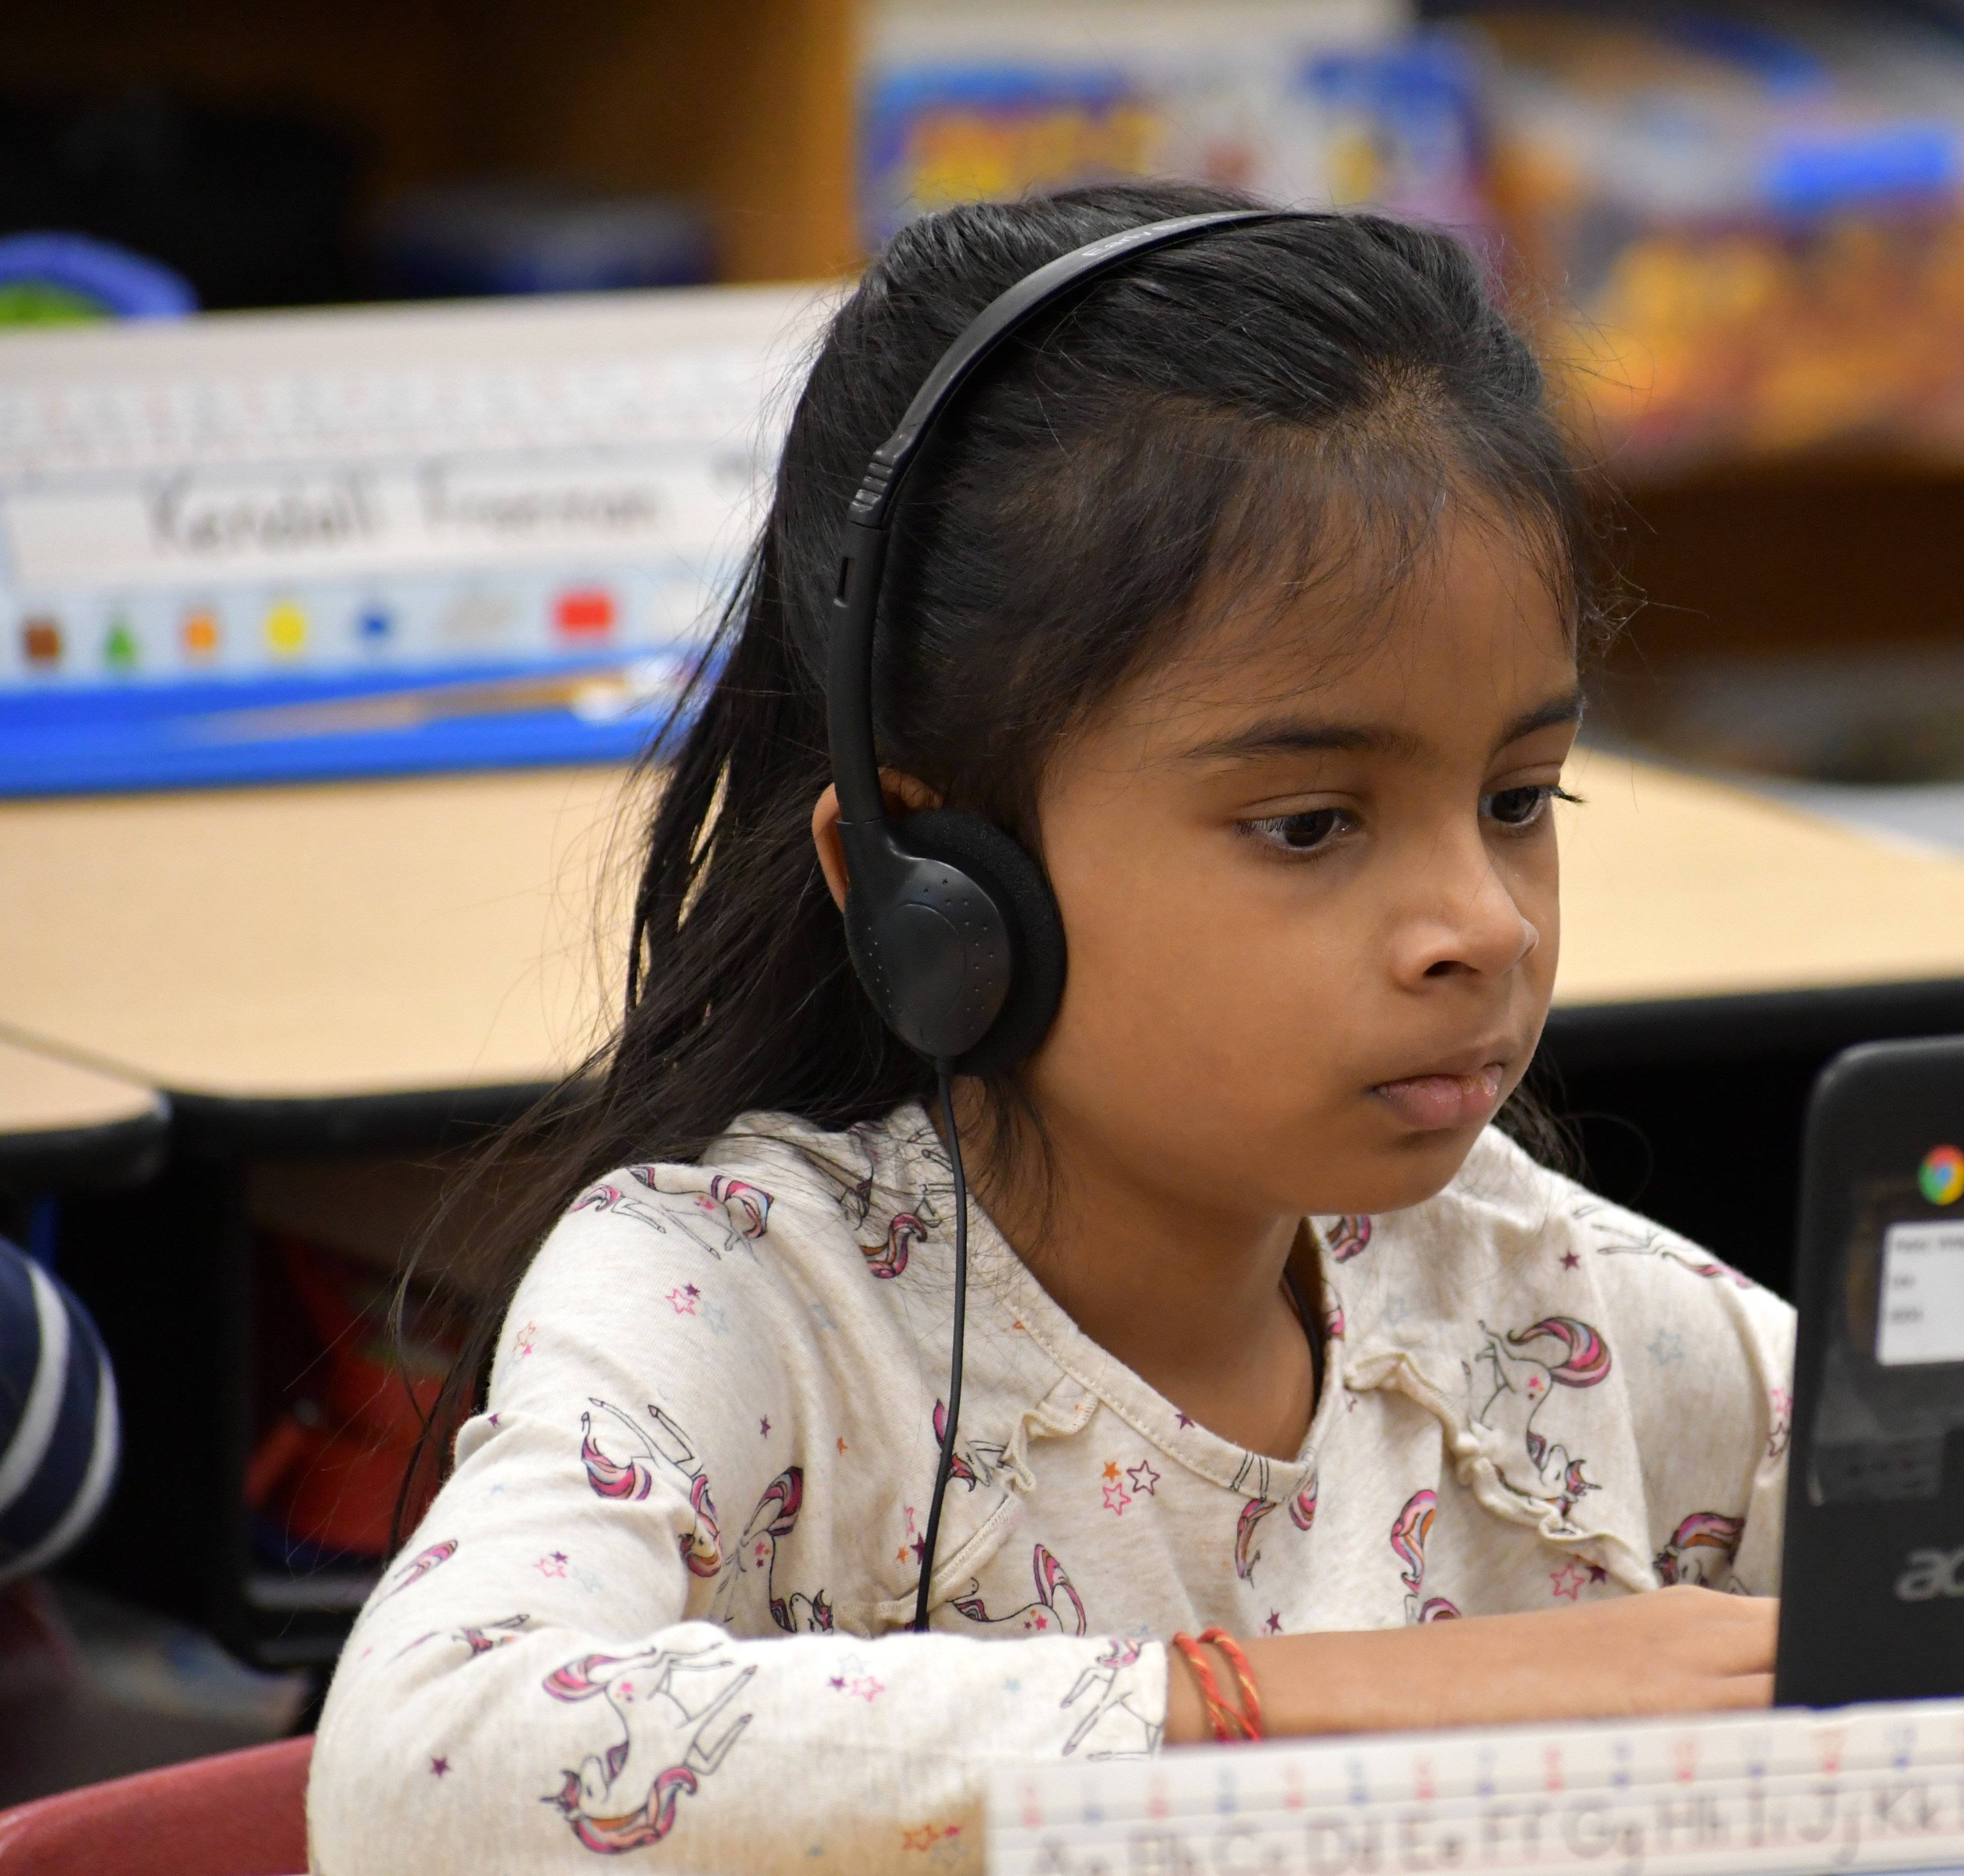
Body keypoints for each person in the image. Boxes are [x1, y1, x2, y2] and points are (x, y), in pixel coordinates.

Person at [308, 183, 1791, 1873]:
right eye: (1310, 825)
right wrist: (1343, 1702)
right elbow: (424, 1777)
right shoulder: (744, 1305)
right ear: (934, 880)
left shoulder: (1549, 1316)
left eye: (1520, 796)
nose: (1485, 923)